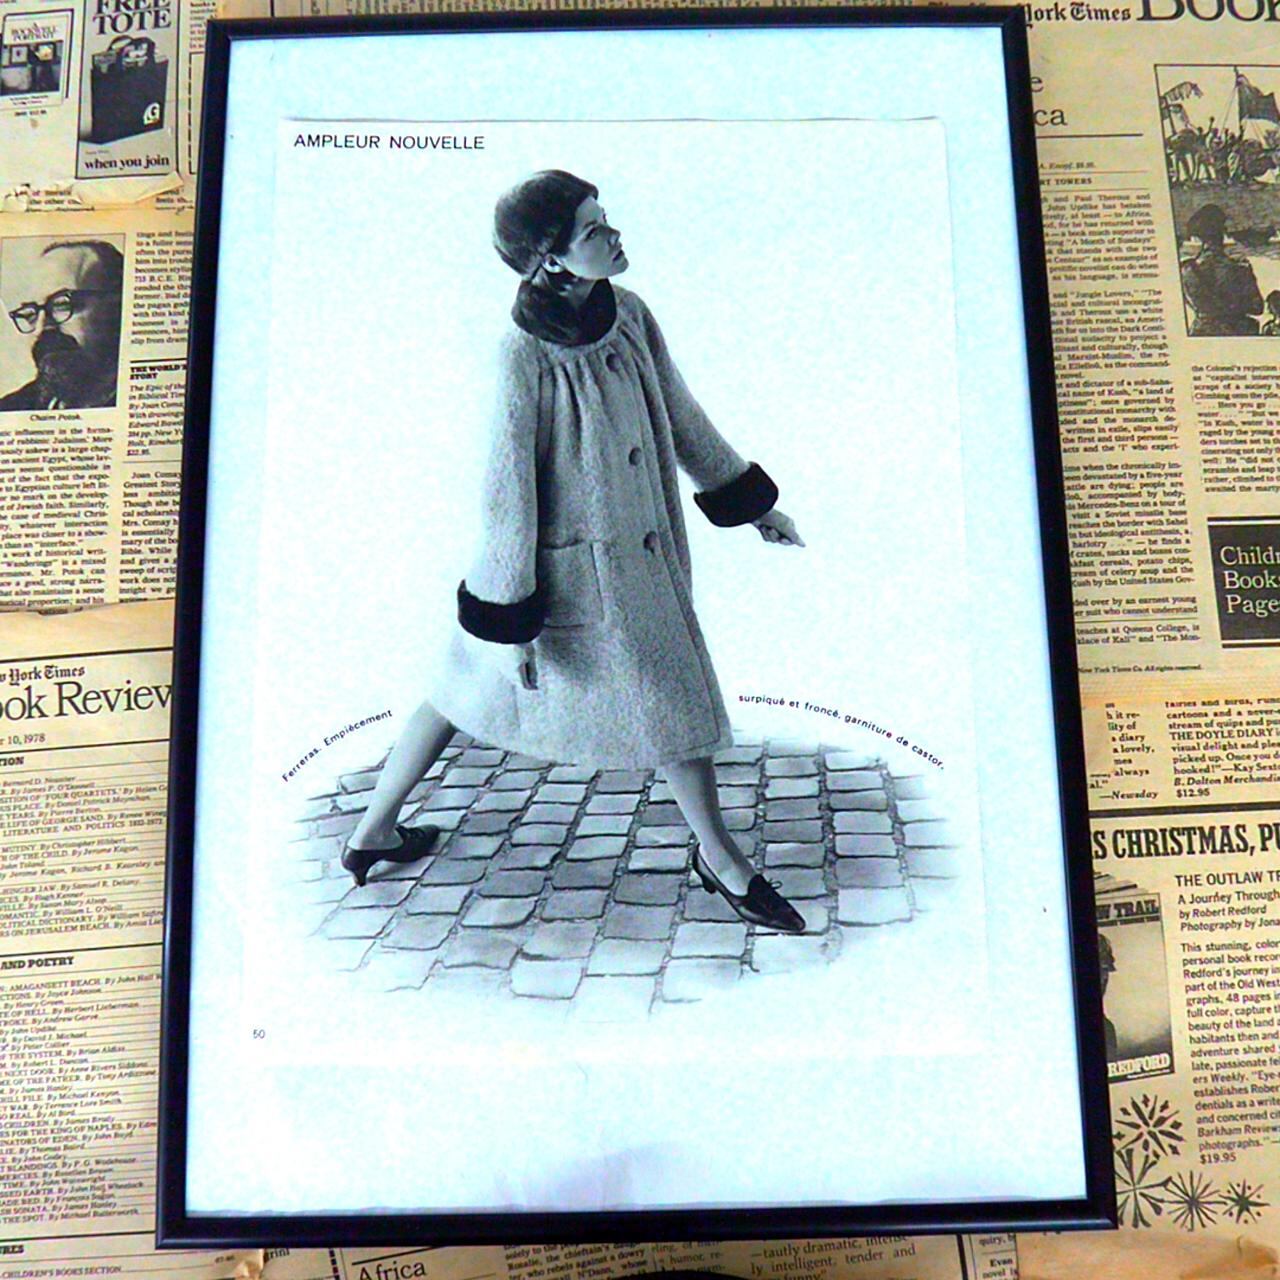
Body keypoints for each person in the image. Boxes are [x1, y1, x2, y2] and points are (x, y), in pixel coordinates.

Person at [340, 170, 807, 934]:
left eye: (604, 218)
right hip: (561, 573)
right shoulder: (521, 354)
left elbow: (681, 414)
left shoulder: (631, 315)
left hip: (636, 552)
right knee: (657, 696)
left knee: (468, 688)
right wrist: (512, 618)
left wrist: (750, 503)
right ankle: (722, 861)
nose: (614, 234)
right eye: (593, 229)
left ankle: (370, 835)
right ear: (550, 260)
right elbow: (506, 493)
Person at [1, 239, 123, 410]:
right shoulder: (10, 407)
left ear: (116, 307)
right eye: (30, 313)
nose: (42, 326)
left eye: (61, 305)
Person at [1180, 203, 1263, 336]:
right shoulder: (1239, 268)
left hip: (1201, 333)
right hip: (1237, 332)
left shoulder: (1185, 270)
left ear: (1198, 236)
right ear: (1222, 232)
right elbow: (1257, 308)